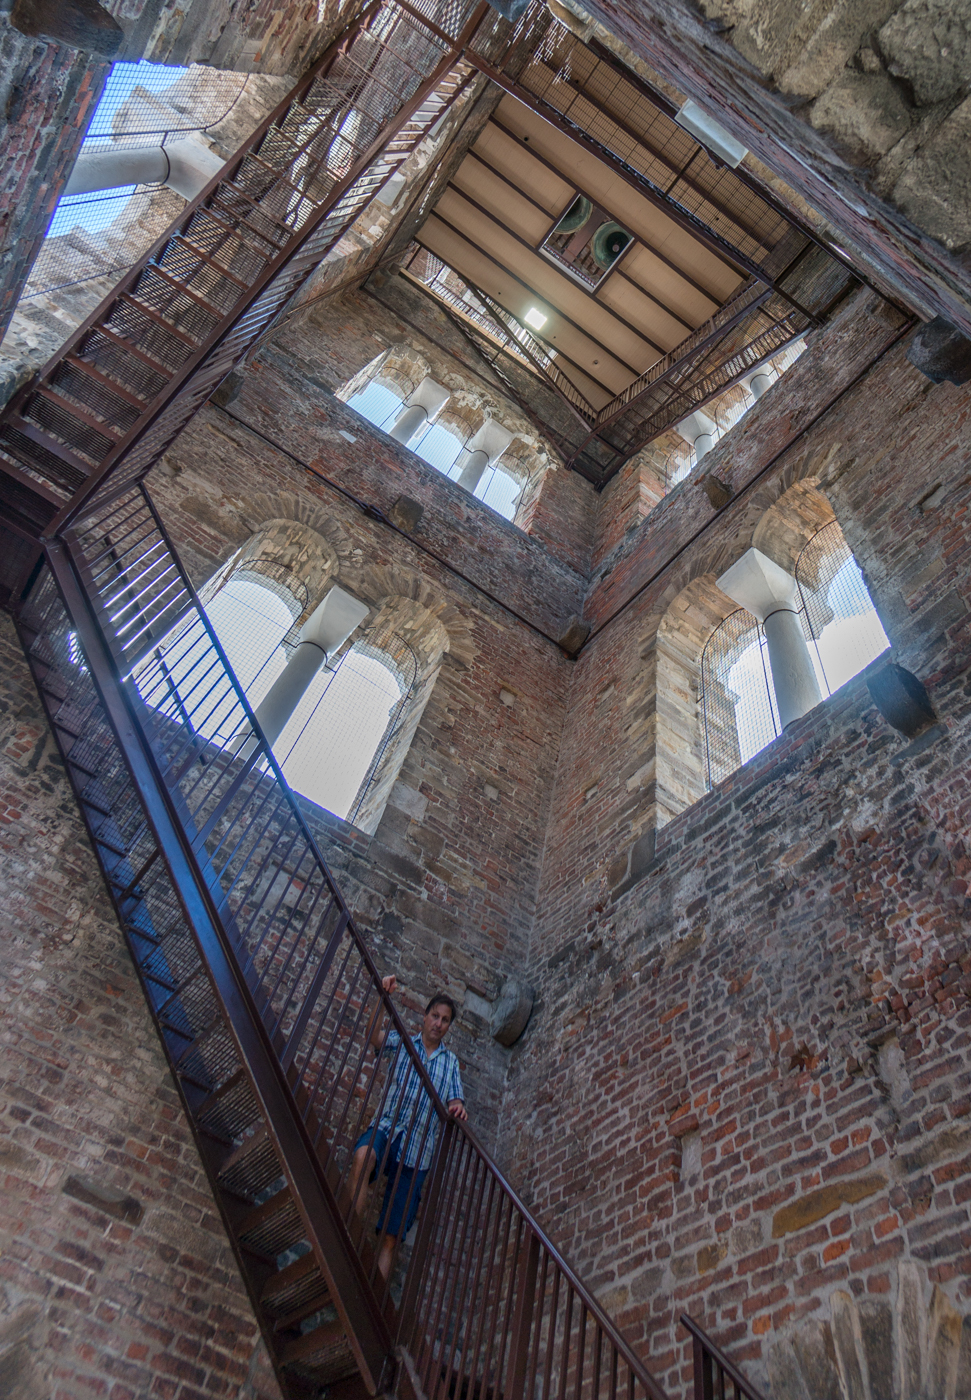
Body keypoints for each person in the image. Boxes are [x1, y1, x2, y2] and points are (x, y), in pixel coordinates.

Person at [349, 975, 467, 1279]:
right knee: (363, 1158)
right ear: (424, 1016)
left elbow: (455, 1101)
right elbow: (374, 1038)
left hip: (419, 1150)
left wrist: (458, 1108)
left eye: (445, 1020)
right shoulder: (403, 1041)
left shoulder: (450, 1062)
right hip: (389, 1127)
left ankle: (370, 1308)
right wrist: (381, 996)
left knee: (391, 1237)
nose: (438, 1023)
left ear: (448, 1026)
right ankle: (343, 1236)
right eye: (434, 1016)